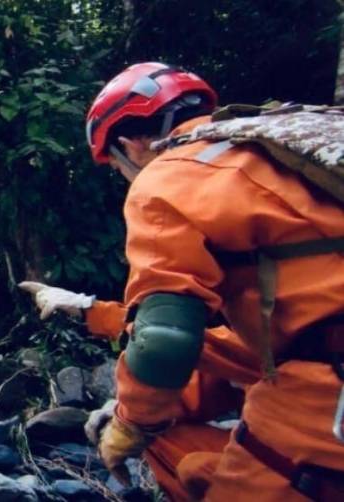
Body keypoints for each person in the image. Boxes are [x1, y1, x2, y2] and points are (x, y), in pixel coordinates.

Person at [81, 61, 344, 500]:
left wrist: (130, 423)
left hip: (324, 395)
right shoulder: (284, 144)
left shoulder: (166, 176)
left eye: (118, 166)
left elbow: (163, 341)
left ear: (130, 145)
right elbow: (270, 337)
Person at [18, 282, 259, 500]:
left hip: (287, 469)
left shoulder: (283, 332)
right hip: (273, 450)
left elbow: (169, 342)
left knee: (192, 464)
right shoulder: (266, 328)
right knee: (156, 429)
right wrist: (128, 415)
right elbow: (210, 370)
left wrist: (129, 419)